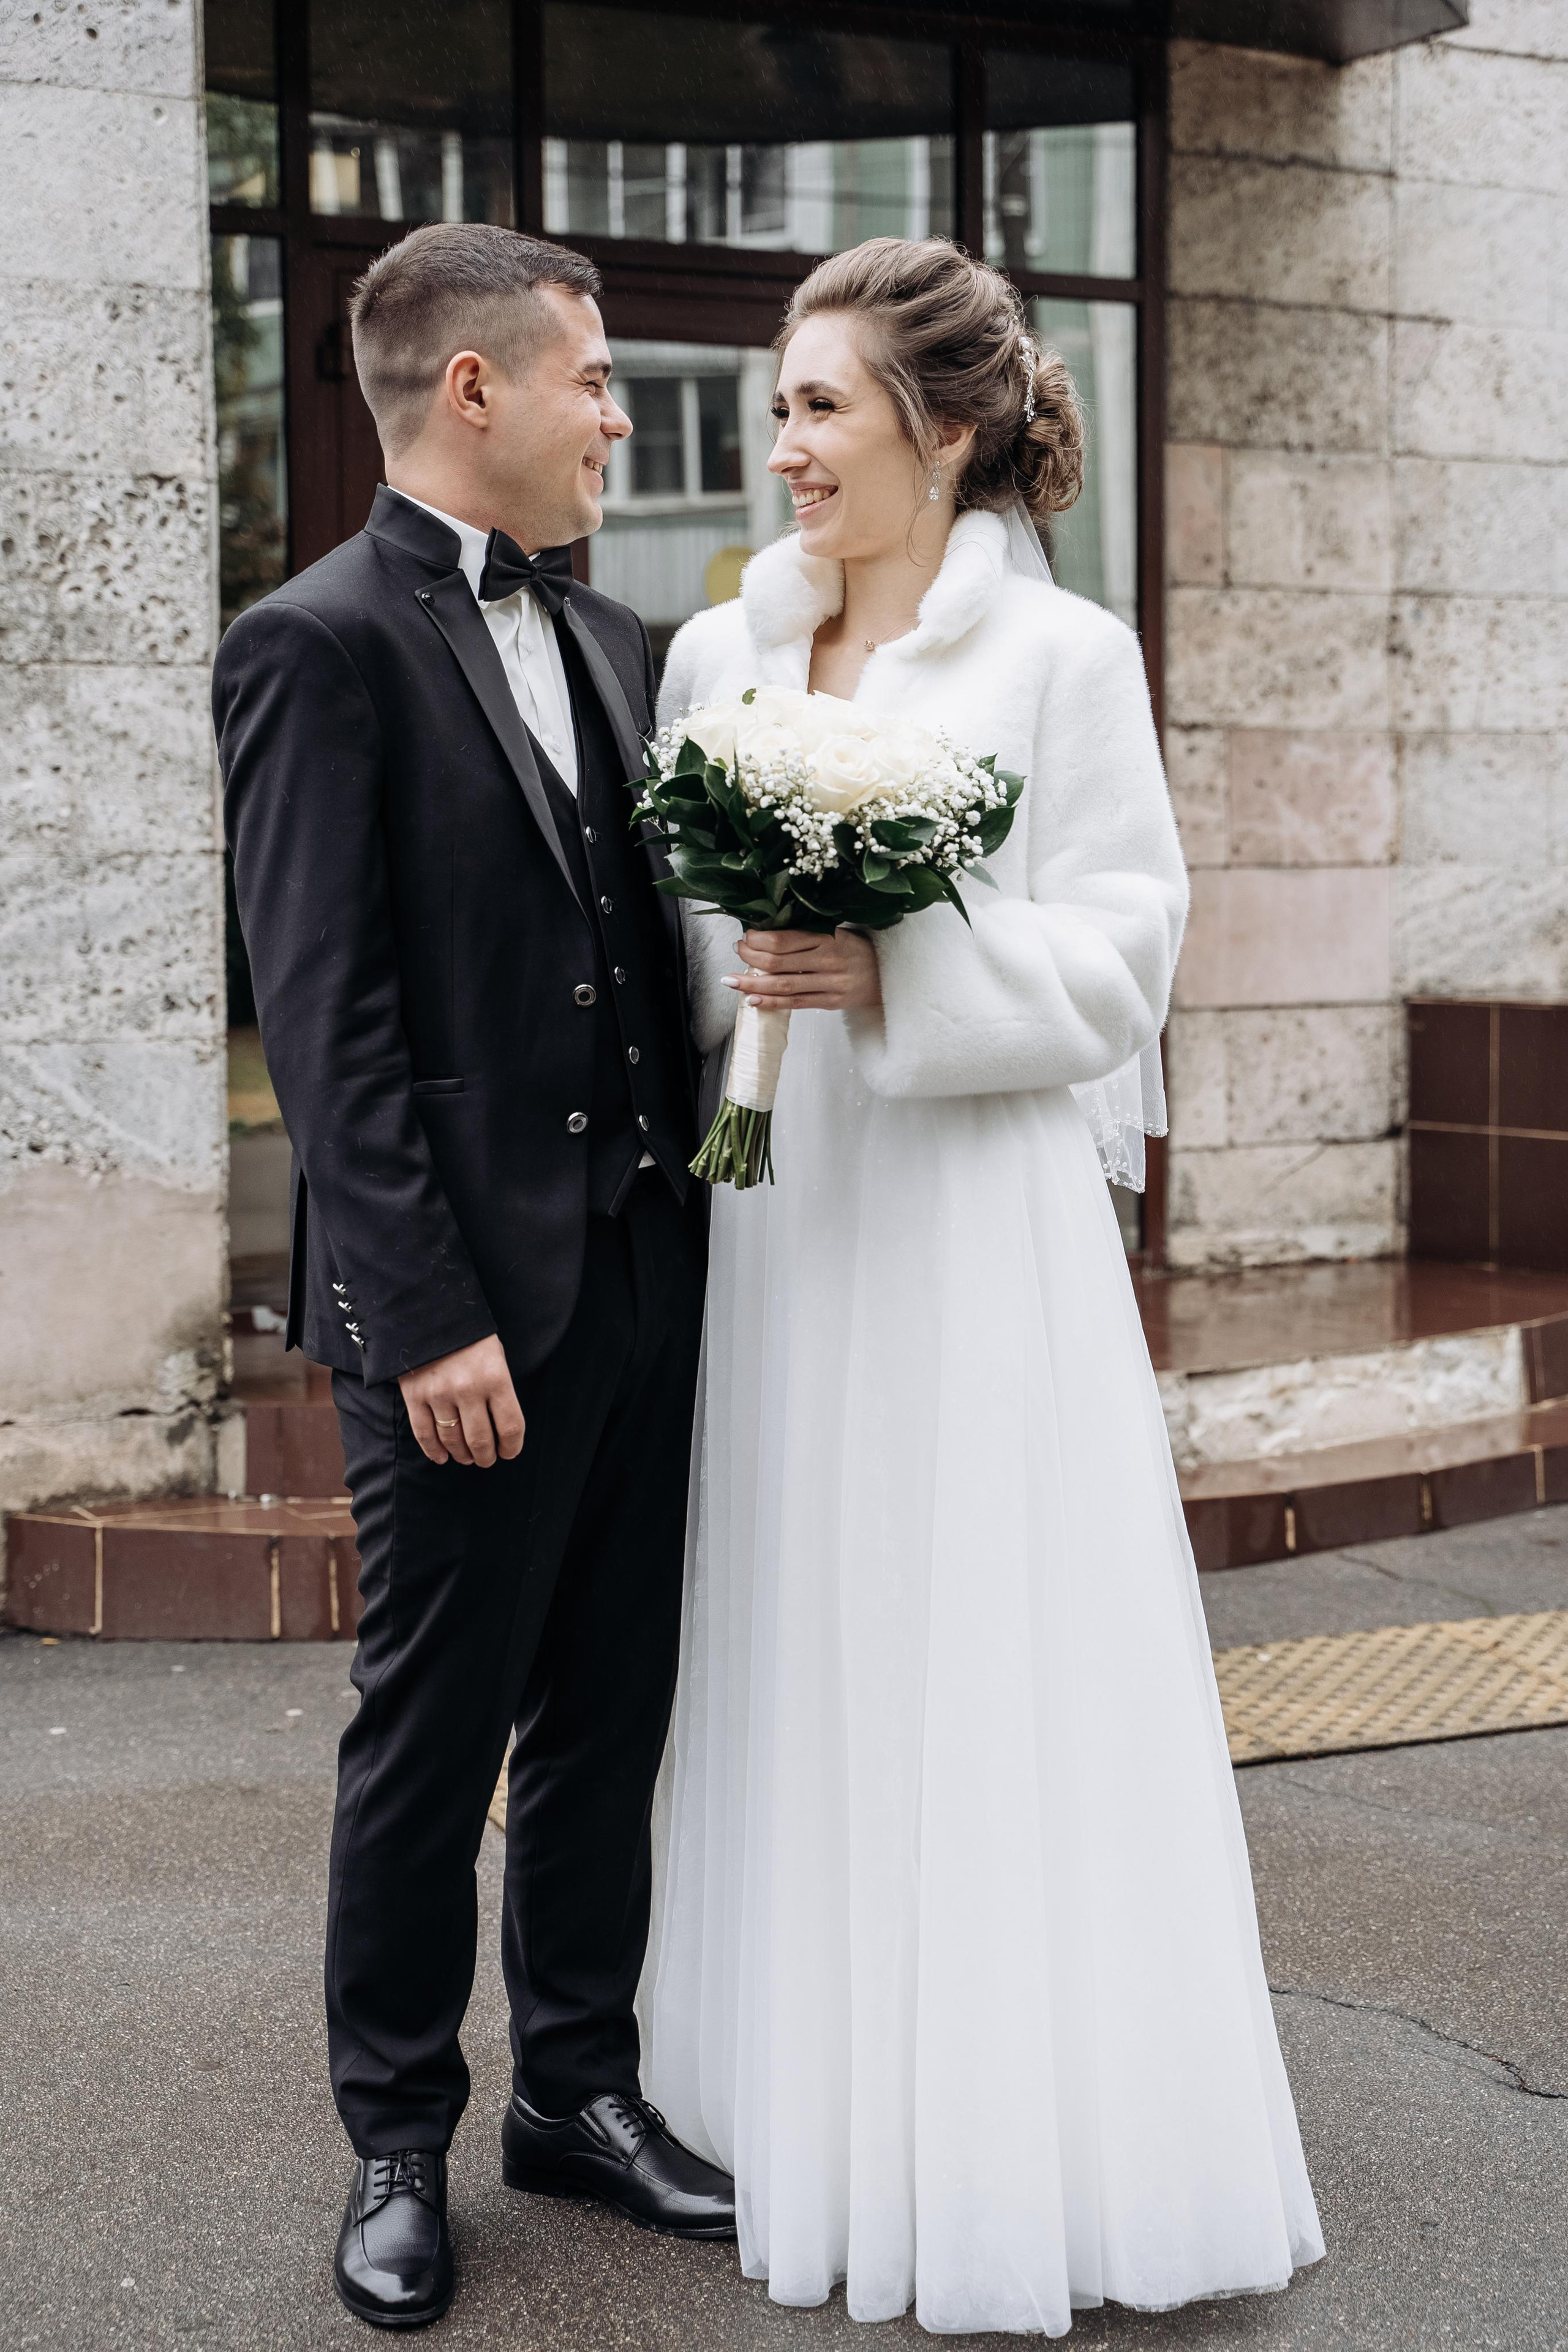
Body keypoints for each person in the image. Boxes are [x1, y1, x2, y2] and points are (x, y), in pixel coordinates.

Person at [640, 236, 1324, 2335]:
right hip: (793, 1222)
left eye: (824, 405)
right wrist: (759, 958)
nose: (785, 444)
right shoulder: (715, 656)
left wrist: (900, 961)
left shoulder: (1066, 663)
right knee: (801, 1615)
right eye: (778, 401)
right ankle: (801, 2087)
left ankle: (1019, 2126)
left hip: (971, 1216)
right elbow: (687, 942)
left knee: (974, 1630)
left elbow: (1127, 954)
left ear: (941, 436)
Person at [213, 223, 736, 2332]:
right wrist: (421, 1317)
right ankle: (402, 2139)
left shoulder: (618, 640)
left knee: (614, 1709)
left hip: (639, 1269)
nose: (623, 417)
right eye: (600, 380)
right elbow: (324, 1025)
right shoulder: (311, 642)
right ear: (476, 391)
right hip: (457, 1316)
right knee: (433, 1733)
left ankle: (579, 2092)